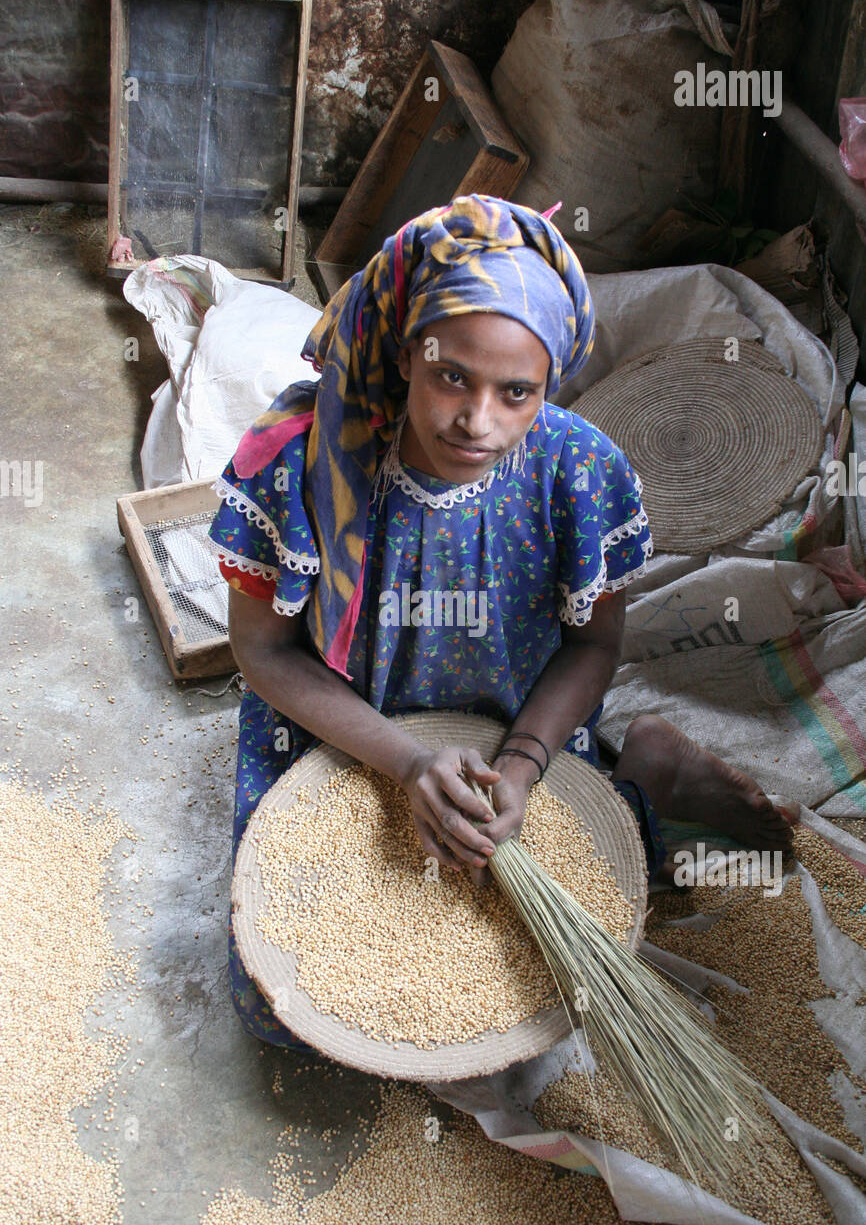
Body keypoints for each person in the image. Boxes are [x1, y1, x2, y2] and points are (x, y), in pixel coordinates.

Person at [207, 194, 794, 1048]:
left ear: (550, 384)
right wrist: (406, 763)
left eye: (516, 392)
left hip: (513, 733)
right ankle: (640, 788)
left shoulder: (579, 470)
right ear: (411, 351)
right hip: (340, 731)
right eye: (451, 376)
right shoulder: (301, 460)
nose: (477, 421)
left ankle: (642, 783)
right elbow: (261, 653)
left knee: (550, 991)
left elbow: (595, 642)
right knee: (282, 1010)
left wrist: (519, 766)